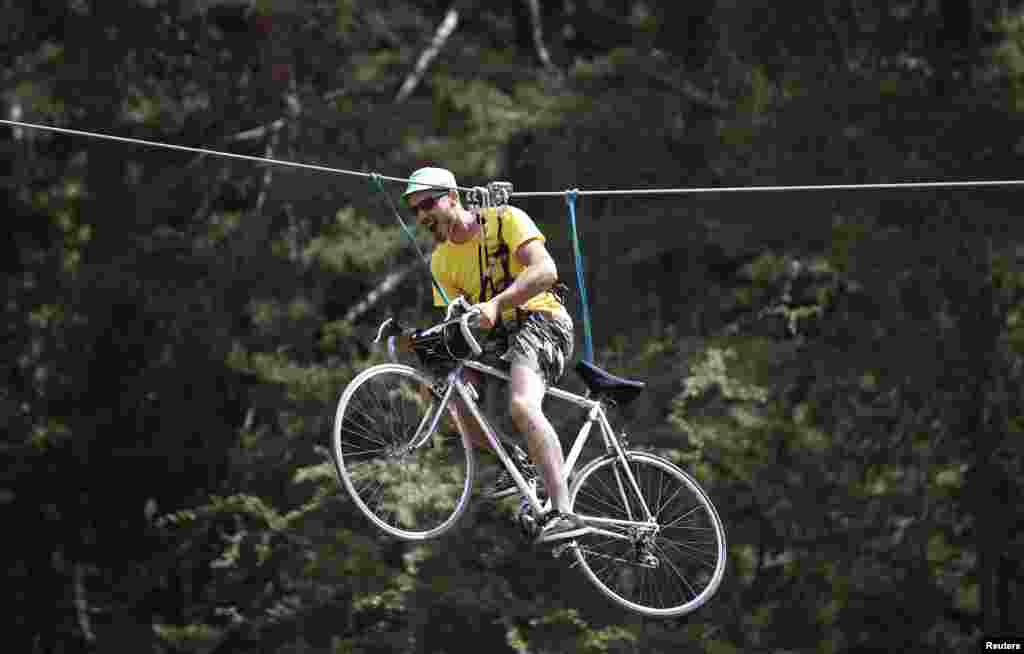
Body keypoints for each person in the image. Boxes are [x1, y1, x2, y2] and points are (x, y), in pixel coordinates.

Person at [401, 166, 586, 543]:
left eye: (427, 204)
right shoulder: (441, 262)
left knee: (521, 405)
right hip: (499, 338)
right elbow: (459, 328)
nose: (422, 216)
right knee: (446, 393)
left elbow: (546, 270)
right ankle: (515, 462)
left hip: (542, 320)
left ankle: (565, 512)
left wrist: (497, 303)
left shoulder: (505, 221)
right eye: (414, 210)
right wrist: (427, 355)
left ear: (452, 196)